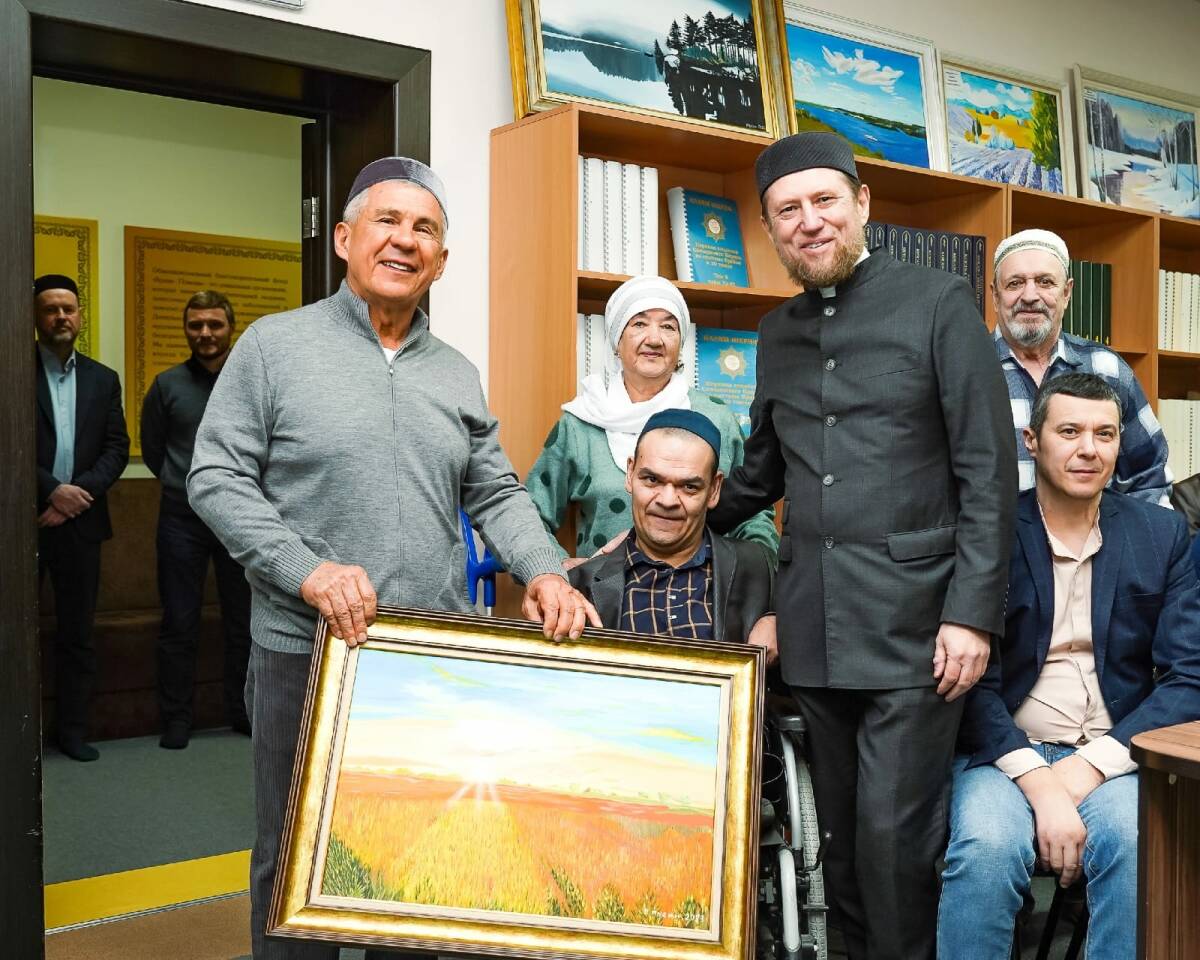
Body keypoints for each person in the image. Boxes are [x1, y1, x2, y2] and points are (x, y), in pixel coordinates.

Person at [186, 156, 600, 960]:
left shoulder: (456, 372)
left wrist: (545, 568)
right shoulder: (274, 347)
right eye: (387, 221)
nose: (405, 240)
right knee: (295, 862)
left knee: (413, 864)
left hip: (423, 659)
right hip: (303, 652)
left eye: (425, 229)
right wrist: (308, 570)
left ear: (441, 261)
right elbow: (216, 477)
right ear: (345, 238)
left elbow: (495, 490)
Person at [705, 132, 1017, 960]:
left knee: (893, 849)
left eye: (824, 201)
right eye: (788, 210)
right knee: (839, 850)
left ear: (862, 204)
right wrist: (671, 519)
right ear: (770, 228)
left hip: (920, 634)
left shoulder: (940, 303)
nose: (809, 221)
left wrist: (972, 616)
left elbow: (988, 471)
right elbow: (761, 472)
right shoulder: (775, 332)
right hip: (816, 631)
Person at [939, 373, 1200, 960]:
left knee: (1139, 846)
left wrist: (1087, 768)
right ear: (1032, 441)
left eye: (1105, 434)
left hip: (1116, 755)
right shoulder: (987, 535)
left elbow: (1191, 677)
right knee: (986, 851)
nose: (1089, 449)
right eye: (1070, 431)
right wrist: (1040, 782)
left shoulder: (1161, 534)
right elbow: (966, 677)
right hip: (1003, 754)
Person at [527, 275, 778, 563]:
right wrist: (555, 568)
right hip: (605, 588)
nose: (655, 339)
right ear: (616, 339)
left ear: (681, 343)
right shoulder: (580, 425)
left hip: (701, 587)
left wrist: (754, 571)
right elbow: (528, 515)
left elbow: (755, 513)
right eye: (639, 324)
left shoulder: (716, 418)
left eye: (668, 326)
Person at [141, 289, 251, 749]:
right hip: (180, 520)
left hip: (240, 519)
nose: (205, 333)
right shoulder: (166, 385)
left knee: (243, 621)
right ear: (186, 330)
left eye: (214, 324)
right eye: (196, 325)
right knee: (179, 622)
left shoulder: (249, 384)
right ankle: (177, 720)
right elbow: (154, 451)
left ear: (230, 328)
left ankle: (243, 712)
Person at [568, 408, 775, 650]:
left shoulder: (758, 567)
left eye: (689, 487)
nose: (667, 501)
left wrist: (782, 624)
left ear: (714, 489)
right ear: (630, 474)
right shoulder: (578, 585)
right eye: (652, 480)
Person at [992, 228, 1170, 504]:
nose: (1030, 296)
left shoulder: (1107, 368)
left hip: (1100, 532)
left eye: (1045, 282)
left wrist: (1139, 533)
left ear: (1067, 293)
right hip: (995, 534)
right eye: (1015, 283)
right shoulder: (963, 369)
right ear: (995, 296)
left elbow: (1148, 476)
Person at [35, 273, 131, 762]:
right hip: (25, 524)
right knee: (16, 634)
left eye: (68, 309)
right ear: (35, 317)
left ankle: (72, 732)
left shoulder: (102, 378)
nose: (61, 317)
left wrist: (77, 496)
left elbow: (117, 448)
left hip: (82, 523)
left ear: (80, 316)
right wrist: (51, 492)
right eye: (51, 309)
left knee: (78, 634)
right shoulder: (12, 369)